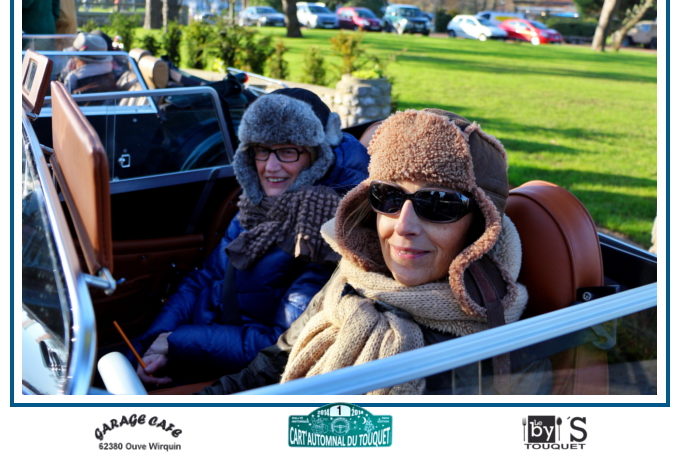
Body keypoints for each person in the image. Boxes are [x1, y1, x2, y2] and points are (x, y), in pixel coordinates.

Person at [199, 108, 551, 395]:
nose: (403, 226)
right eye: (389, 196)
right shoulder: (351, 278)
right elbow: (269, 366)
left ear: (479, 228)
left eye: (438, 203)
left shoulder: (507, 354)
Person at [131, 89, 370, 387]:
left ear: (318, 155)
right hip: (199, 342)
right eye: (261, 149)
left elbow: (282, 344)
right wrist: (152, 342)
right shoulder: (263, 200)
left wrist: (176, 343)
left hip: (241, 374)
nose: (270, 167)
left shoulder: (327, 228)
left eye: (288, 151)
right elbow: (206, 276)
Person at [58, 32, 117, 98]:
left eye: (74, 57)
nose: (72, 61)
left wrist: (65, 76)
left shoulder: (78, 83)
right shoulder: (108, 75)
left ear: (82, 62)